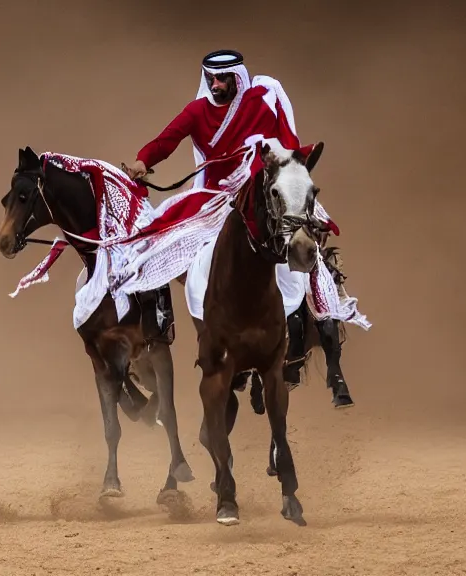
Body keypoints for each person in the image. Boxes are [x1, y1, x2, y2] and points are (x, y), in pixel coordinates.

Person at [124, 49, 365, 407]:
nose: (216, 85)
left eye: (223, 79)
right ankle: (158, 328)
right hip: (218, 199)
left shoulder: (262, 100)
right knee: (154, 242)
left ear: (239, 78)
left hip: (268, 194)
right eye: (211, 79)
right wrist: (144, 159)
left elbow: (288, 146)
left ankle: (325, 310)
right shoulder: (197, 112)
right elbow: (168, 139)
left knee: (305, 237)